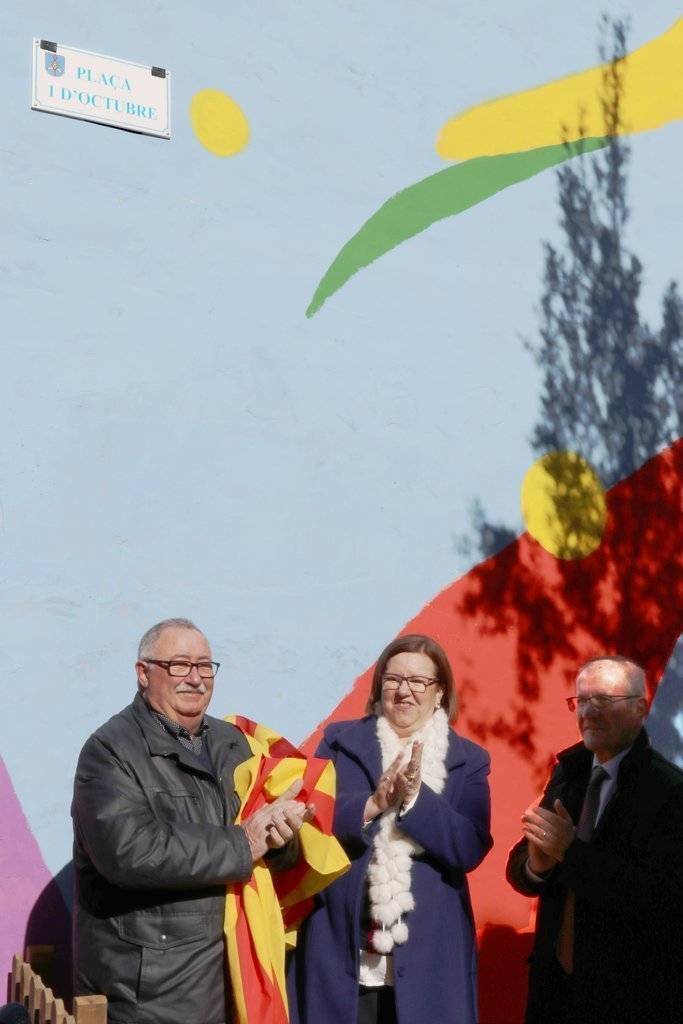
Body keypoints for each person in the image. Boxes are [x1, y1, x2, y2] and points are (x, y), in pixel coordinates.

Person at [72, 617, 312, 1024]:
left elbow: (263, 845)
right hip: (152, 991)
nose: (196, 678)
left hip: (237, 972)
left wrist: (281, 840)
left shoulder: (235, 743)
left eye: (205, 666)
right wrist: (244, 844)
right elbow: (130, 852)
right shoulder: (109, 751)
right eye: (180, 665)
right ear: (143, 673)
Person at [289, 634, 493, 1024]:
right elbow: (310, 818)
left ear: (439, 692)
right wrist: (373, 804)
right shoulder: (339, 743)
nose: (403, 691)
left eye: (418, 681)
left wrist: (415, 800)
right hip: (340, 944)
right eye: (393, 679)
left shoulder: (468, 760)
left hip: (430, 955)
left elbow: (469, 846)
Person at [506, 654, 683, 1024]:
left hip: (627, 997)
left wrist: (570, 852)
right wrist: (537, 864)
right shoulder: (568, 774)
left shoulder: (668, 791)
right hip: (555, 992)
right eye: (581, 701)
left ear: (639, 709)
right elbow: (523, 870)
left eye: (603, 700)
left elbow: (661, 900)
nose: (588, 712)